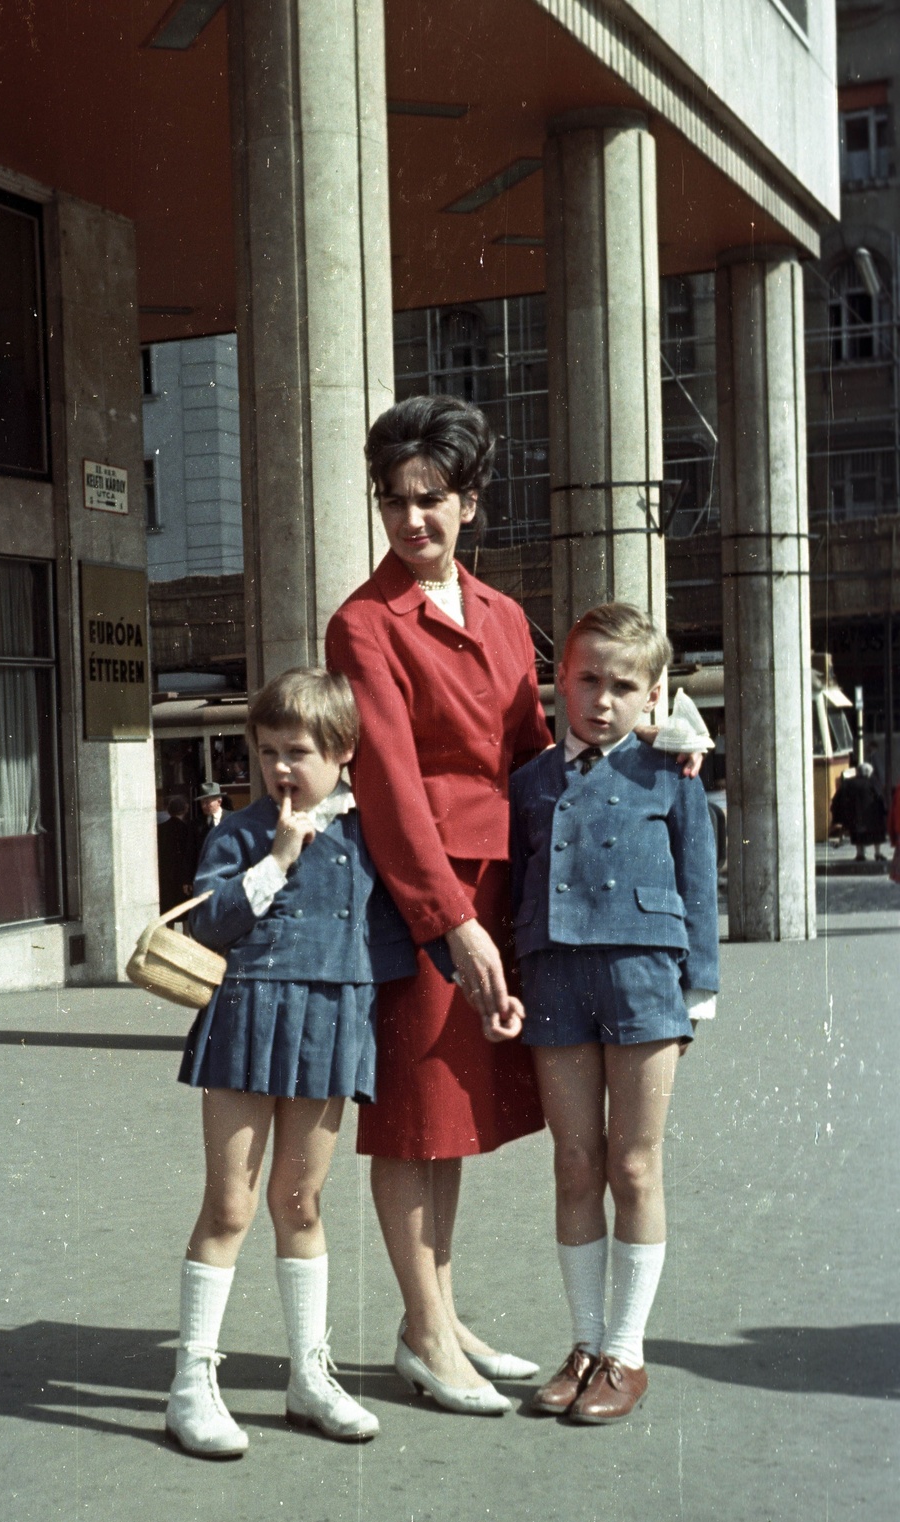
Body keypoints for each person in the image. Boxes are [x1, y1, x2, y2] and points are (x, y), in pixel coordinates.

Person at [325, 395, 554, 1416]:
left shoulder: (505, 617)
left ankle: (442, 1308)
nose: (409, 521)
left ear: (468, 502)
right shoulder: (362, 623)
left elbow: (531, 753)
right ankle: (421, 1331)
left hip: (494, 886)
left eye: (429, 500)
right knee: (413, 1114)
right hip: (417, 897)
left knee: (452, 1116)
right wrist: (447, 919)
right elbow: (387, 780)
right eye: (391, 501)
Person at [166, 667, 416, 1458]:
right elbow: (206, 926)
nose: (280, 768)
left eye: (298, 751)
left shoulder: (365, 835)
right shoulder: (239, 833)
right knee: (231, 1207)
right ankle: (190, 1384)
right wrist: (274, 860)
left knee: (301, 1202)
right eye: (267, 750)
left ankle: (309, 1376)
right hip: (246, 1023)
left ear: (343, 752)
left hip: (329, 1025)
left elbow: (403, 930)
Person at [511, 604, 719, 1422]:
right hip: (555, 976)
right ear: (559, 681)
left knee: (634, 1167)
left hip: (643, 980)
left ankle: (627, 1353)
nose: (601, 700)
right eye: (587, 680)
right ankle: (586, 1341)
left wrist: (697, 988)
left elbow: (698, 882)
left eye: (622, 686)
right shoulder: (530, 781)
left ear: (653, 696)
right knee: (573, 1163)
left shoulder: (672, 774)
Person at [830, 763, 888, 861]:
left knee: (858, 834)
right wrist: (884, 811)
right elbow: (880, 798)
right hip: (872, 816)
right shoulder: (873, 783)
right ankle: (877, 853)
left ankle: (860, 854)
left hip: (855, 816)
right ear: (868, 773)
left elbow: (837, 799)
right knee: (876, 834)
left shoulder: (848, 783)